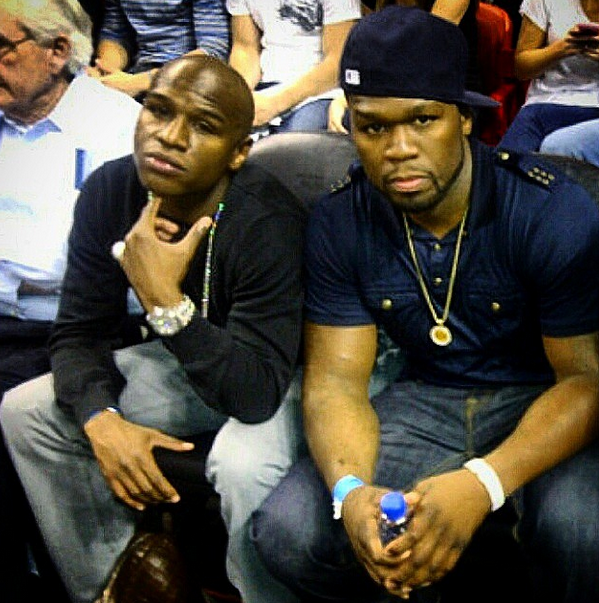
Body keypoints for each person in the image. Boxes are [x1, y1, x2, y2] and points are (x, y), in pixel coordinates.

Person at [251, 6, 599, 603]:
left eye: (422, 120)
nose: (398, 149)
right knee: (291, 533)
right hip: (425, 395)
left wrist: (483, 482)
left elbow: (585, 381)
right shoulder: (341, 216)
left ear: (464, 118)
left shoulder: (548, 209)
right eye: (372, 127)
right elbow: (336, 382)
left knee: (582, 533)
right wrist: (351, 494)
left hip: (541, 397)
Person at [1, 53, 306, 603]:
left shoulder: (268, 220)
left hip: (274, 372)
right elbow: (79, 332)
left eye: (203, 126)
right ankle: (120, 588)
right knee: (26, 412)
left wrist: (163, 299)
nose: (170, 137)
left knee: (241, 465)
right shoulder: (112, 189)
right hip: (186, 363)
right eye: (159, 110)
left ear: (239, 152)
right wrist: (101, 418)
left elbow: (255, 394)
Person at [0, 2, 140, 599]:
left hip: (77, 332)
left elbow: (68, 268)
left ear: (57, 51)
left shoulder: (118, 128)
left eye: (2, 50)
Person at [327, 0, 478, 134]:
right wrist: (351, 96)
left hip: (448, 87)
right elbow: (372, 49)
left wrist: (355, 97)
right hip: (390, 84)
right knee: (347, 119)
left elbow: (426, 47)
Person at [226, 0, 361, 134]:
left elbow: (338, 63)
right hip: (266, 86)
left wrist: (276, 103)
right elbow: (245, 49)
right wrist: (241, 97)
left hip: (321, 92)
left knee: (289, 142)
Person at [499, 0, 599, 152]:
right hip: (546, 103)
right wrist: (561, 48)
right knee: (506, 160)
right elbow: (522, 69)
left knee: (556, 147)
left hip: (595, 108)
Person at [88, 0, 229, 98]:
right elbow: (116, 32)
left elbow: (213, 51)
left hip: (189, 84)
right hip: (139, 77)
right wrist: (106, 71)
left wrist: (138, 82)